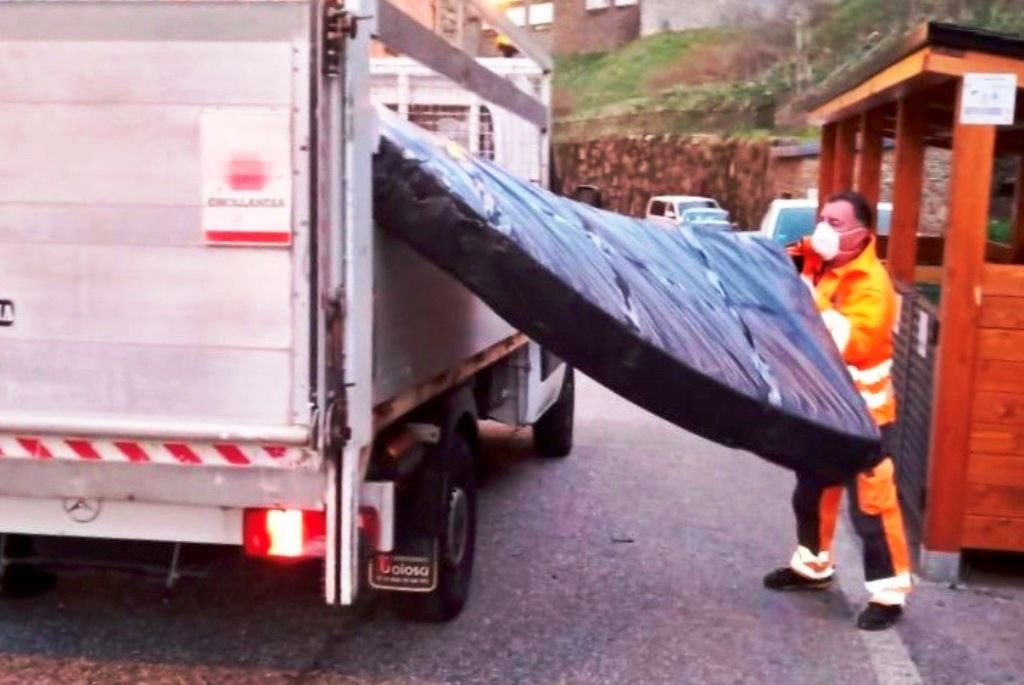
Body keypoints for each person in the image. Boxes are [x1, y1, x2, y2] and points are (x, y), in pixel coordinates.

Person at [764, 190, 911, 631]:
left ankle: (889, 594)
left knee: (871, 506)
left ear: (861, 234)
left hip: (864, 418)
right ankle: (813, 566)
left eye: (836, 223)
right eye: (823, 219)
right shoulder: (824, 261)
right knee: (811, 491)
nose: (824, 229)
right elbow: (783, 263)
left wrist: (810, 297)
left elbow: (850, 342)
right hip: (823, 409)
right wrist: (799, 260)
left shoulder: (872, 286)